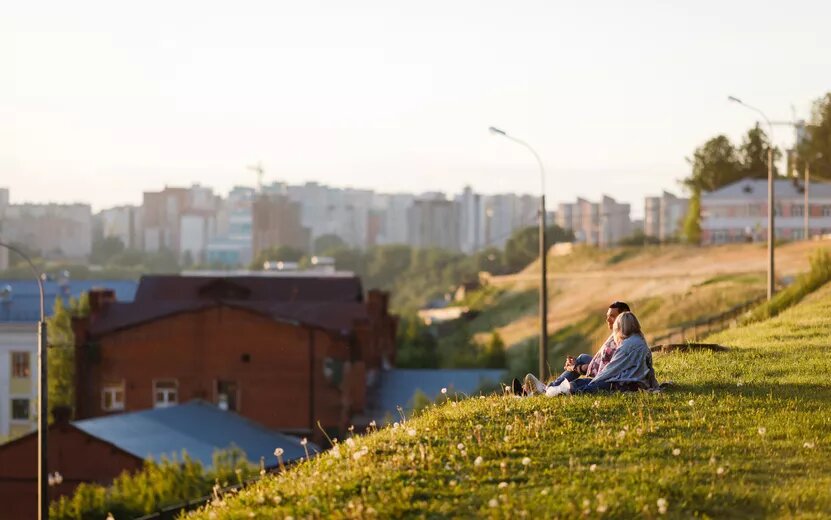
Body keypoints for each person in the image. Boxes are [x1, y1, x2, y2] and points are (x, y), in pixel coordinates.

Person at [519, 301, 631, 396]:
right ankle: (545, 388)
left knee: (579, 370)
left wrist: (576, 367)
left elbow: (605, 370)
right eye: (607, 316)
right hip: (609, 373)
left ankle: (545, 390)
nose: (608, 320)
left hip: (613, 379)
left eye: (612, 316)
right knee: (582, 358)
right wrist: (576, 365)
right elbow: (601, 363)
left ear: (624, 317)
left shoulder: (623, 339)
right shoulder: (618, 334)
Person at [547, 311, 659, 395]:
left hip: (625, 385)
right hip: (633, 383)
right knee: (582, 381)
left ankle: (554, 391)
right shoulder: (640, 340)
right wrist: (653, 385)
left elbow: (611, 369)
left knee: (582, 385)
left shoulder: (626, 346)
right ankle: (554, 389)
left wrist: (591, 382)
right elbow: (649, 369)